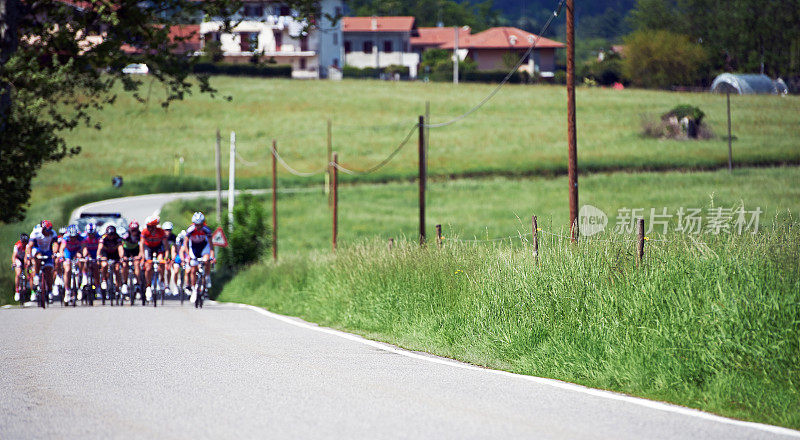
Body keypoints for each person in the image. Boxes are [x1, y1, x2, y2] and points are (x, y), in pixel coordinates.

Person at [184, 212, 214, 303]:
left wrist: (212, 256)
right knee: (193, 269)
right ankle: (193, 289)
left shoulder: (206, 230)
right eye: (197, 225)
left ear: (203, 223)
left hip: (204, 247)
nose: (198, 227)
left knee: (206, 260)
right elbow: (185, 243)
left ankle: (207, 276)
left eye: (200, 225)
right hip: (193, 248)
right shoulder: (190, 229)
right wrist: (188, 255)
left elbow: (211, 244)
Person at [26, 220, 58, 302]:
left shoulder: (53, 233)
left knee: (48, 272)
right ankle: (36, 275)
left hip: (47, 251)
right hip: (37, 249)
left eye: (49, 230)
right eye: (47, 230)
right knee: (38, 256)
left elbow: (55, 244)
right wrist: (29, 256)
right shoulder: (35, 233)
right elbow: (29, 246)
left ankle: (50, 291)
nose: (48, 232)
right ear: (43, 229)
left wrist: (55, 253)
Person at [140, 215, 168, 301]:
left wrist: (166, 257)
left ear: (154, 227)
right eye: (147, 226)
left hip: (158, 247)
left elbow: (166, 246)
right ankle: (148, 287)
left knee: (161, 262)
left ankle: (162, 279)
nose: (147, 228)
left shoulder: (161, 232)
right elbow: (141, 244)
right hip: (148, 248)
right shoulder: (145, 232)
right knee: (148, 267)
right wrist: (143, 257)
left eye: (149, 226)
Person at [97, 224, 124, 297]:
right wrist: (98, 256)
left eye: (113, 235)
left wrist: (122, 257)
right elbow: (100, 248)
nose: (111, 237)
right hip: (106, 253)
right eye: (110, 235)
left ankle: (118, 288)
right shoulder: (103, 238)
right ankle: (104, 280)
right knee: (104, 265)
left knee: (117, 269)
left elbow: (120, 248)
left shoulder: (118, 238)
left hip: (115, 254)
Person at [58, 225, 83, 302]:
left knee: (81, 262)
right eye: (71, 237)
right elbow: (62, 248)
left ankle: (80, 285)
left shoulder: (80, 238)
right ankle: (67, 291)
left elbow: (83, 248)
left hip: (76, 251)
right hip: (68, 252)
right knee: (67, 269)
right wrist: (62, 256)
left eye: (74, 237)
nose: (73, 238)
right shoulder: (65, 238)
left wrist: (82, 256)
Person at [121, 220, 142, 297]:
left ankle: (137, 283)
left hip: (135, 250)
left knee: (137, 264)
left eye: (135, 230)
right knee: (124, 264)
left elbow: (142, 246)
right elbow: (121, 245)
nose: (134, 232)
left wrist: (139, 255)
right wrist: (123, 256)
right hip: (126, 250)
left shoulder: (140, 235)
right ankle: (124, 283)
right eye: (132, 230)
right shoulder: (126, 235)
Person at [80, 222, 101, 300]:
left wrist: (98, 256)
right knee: (84, 262)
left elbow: (100, 247)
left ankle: (98, 288)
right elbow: (84, 247)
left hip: (96, 253)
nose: (91, 236)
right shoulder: (84, 237)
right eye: (89, 234)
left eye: (92, 234)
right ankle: (85, 277)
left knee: (96, 268)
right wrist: (85, 255)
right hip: (88, 253)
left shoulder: (98, 237)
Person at [11, 233, 29, 302]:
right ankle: (17, 291)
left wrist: (27, 263)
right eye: (23, 242)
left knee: (28, 272)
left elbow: (27, 256)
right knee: (18, 273)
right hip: (18, 259)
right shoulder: (17, 245)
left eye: (25, 242)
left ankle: (25, 286)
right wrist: (14, 263)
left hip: (24, 259)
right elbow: (14, 256)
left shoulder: (27, 245)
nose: (24, 243)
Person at [162, 221, 177, 295]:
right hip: (160, 252)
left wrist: (173, 258)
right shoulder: (160, 236)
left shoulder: (173, 237)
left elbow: (174, 248)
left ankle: (167, 285)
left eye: (169, 230)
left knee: (168, 268)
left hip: (168, 252)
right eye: (166, 230)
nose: (168, 232)